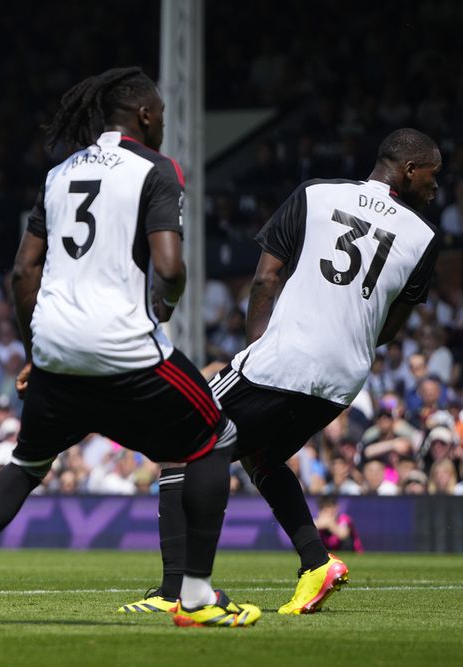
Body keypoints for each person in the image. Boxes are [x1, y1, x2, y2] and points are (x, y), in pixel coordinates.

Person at [0, 67, 259, 629]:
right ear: (146, 116)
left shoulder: (58, 174)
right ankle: (197, 598)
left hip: (57, 349)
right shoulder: (157, 169)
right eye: (163, 117)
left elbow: (22, 271)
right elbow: (170, 267)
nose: (165, 126)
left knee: (26, 464)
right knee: (216, 436)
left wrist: (36, 351)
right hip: (124, 346)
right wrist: (166, 305)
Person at [120, 128, 441, 616]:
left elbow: (267, 276)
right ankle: (316, 562)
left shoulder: (316, 194)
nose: (436, 188)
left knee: (176, 444)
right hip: (344, 378)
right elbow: (388, 327)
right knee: (262, 456)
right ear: (409, 170)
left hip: (286, 356)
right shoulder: (424, 239)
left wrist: (261, 350)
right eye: (433, 177)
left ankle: (172, 593)